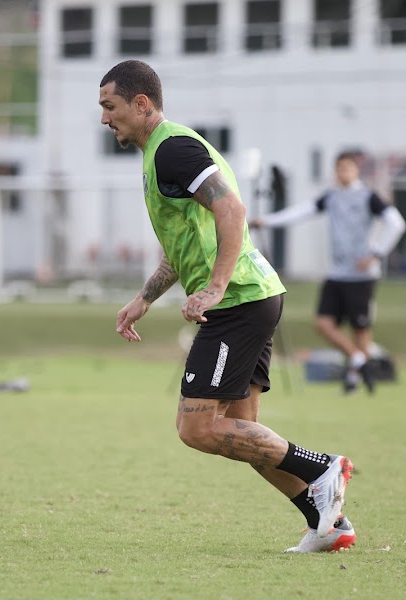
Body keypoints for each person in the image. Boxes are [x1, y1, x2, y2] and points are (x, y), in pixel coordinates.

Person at [100, 60, 355, 553]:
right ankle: (328, 523)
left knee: (196, 427)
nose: (105, 119)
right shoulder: (160, 155)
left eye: (110, 107)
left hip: (238, 299)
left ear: (141, 103)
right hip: (250, 298)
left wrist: (216, 287)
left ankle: (321, 468)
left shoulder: (172, 148)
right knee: (244, 434)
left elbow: (232, 209)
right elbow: (183, 247)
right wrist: (144, 299)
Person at [250, 152, 405, 394]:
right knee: (323, 323)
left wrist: (376, 253)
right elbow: (300, 212)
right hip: (337, 273)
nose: (342, 173)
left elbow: (396, 223)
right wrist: (266, 221)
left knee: (360, 329)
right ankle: (359, 360)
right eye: (339, 168)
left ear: (356, 170)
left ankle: (354, 380)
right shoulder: (331, 197)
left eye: (347, 168)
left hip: (362, 275)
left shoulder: (368, 196)